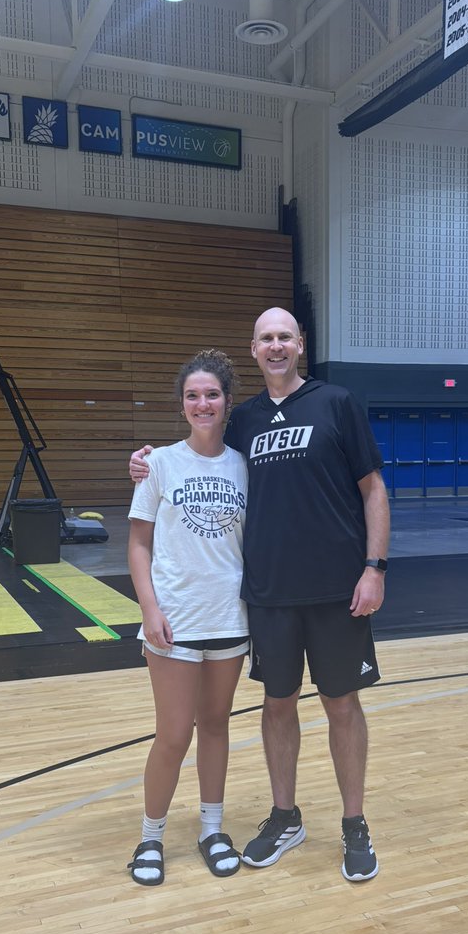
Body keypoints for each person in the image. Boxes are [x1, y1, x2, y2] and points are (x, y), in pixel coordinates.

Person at [130, 309, 390, 883]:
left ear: (301, 344)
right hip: (267, 597)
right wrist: (141, 462)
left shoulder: (337, 403)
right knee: (277, 705)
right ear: (253, 349)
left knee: (342, 705)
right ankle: (284, 816)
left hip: (337, 590)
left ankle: (354, 825)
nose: (276, 346)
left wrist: (374, 567)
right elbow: (193, 450)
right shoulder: (241, 420)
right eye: (265, 338)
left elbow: (373, 490)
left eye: (284, 337)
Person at [126, 349, 249, 887]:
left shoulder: (245, 466)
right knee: (173, 734)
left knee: (216, 726)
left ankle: (212, 829)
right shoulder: (157, 464)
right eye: (193, 395)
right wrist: (149, 608)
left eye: (212, 394)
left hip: (229, 616)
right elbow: (137, 543)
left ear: (227, 403)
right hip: (174, 619)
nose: (203, 403)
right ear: (183, 405)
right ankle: (150, 837)